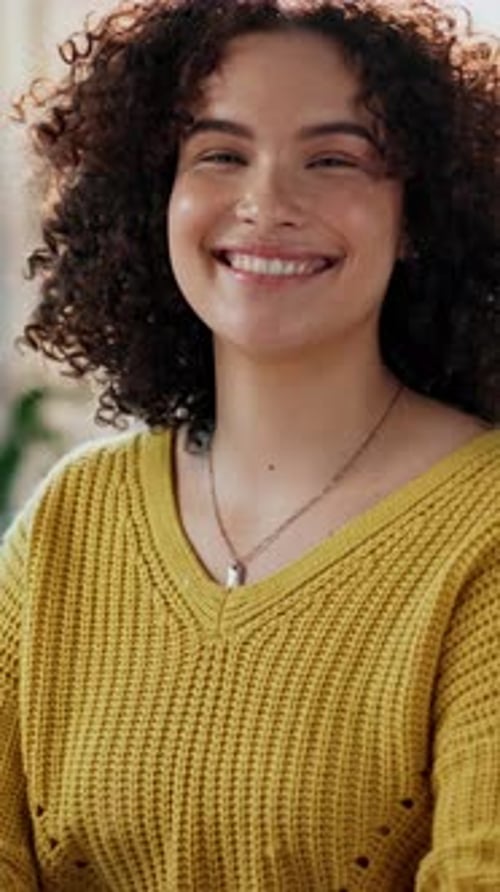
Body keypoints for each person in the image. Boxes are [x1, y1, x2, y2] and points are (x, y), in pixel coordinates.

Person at [1, 0, 499, 888]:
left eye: (334, 159)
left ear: (418, 213)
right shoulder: (69, 523)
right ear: (156, 200)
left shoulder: (485, 530)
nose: (266, 202)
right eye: (221, 154)